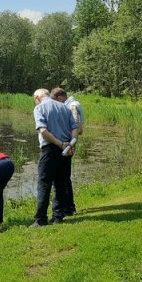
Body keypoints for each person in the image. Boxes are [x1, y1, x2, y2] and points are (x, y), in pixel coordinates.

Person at [31, 88, 79, 227]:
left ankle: (40, 219)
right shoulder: (64, 107)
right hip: (66, 149)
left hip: (51, 149)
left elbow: (43, 130)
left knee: (44, 184)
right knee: (60, 183)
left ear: (37, 98)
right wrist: (71, 143)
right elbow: (74, 128)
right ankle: (58, 216)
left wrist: (60, 144)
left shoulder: (39, 108)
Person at [51, 87, 85, 216]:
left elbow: (76, 127)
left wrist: (69, 145)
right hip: (68, 144)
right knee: (64, 177)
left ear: (60, 98)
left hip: (68, 145)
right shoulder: (72, 104)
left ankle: (69, 207)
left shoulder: (72, 106)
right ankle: (68, 207)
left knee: (64, 178)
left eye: (55, 101)